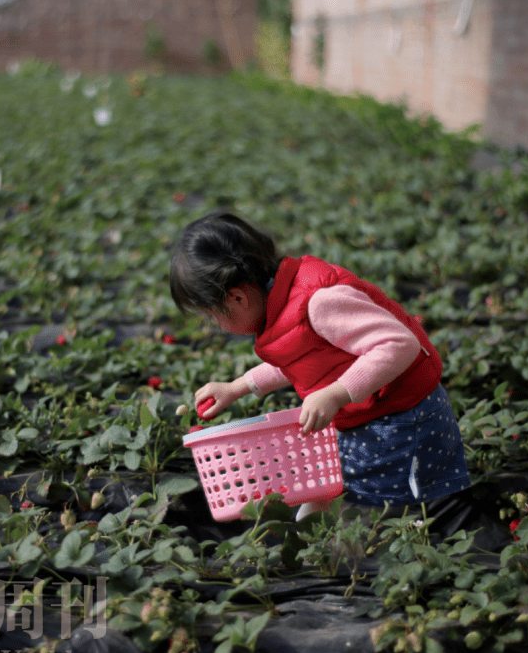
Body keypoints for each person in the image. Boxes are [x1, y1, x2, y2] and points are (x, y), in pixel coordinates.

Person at [169, 210, 471, 521]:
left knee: (385, 507)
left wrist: (337, 393)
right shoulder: (284, 307)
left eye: (211, 315)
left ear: (236, 298)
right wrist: (238, 387)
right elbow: (304, 359)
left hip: (404, 418)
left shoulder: (320, 302)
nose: (214, 324)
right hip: (373, 414)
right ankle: (329, 546)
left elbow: (398, 344)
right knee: (330, 494)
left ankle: (385, 549)